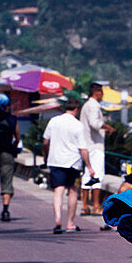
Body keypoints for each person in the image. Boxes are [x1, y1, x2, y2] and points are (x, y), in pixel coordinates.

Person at [43, 97, 95, 234]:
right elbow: (83, 149)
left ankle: (57, 220)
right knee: (72, 190)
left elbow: (45, 142)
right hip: (73, 162)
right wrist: (89, 166)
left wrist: (46, 156)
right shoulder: (78, 125)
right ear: (77, 109)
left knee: (58, 191)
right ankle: (70, 223)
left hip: (55, 160)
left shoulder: (53, 121)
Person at [79, 82, 114, 217]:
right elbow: (95, 123)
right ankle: (96, 206)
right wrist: (107, 127)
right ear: (97, 92)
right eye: (101, 93)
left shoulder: (86, 105)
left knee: (87, 174)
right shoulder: (93, 106)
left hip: (87, 145)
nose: (102, 95)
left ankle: (85, 206)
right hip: (95, 146)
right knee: (98, 174)